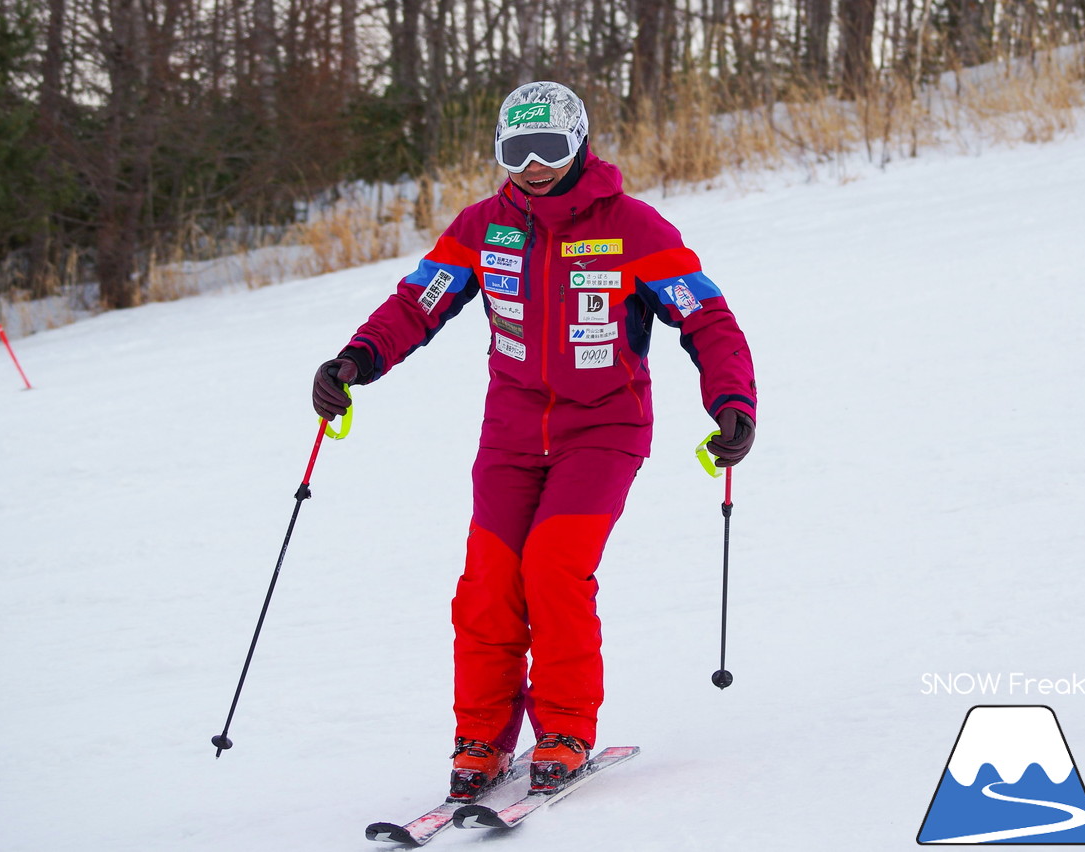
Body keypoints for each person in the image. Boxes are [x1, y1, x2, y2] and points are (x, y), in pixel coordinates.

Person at [312, 81, 756, 798]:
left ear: (578, 143)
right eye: (517, 149)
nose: (535, 164)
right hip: (510, 437)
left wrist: (731, 399)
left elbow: (707, 319)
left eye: (550, 146)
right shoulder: (483, 227)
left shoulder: (634, 228)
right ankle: (481, 739)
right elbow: (416, 304)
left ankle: (565, 728)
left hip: (605, 432)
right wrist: (356, 359)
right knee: (488, 582)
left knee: (552, 566)